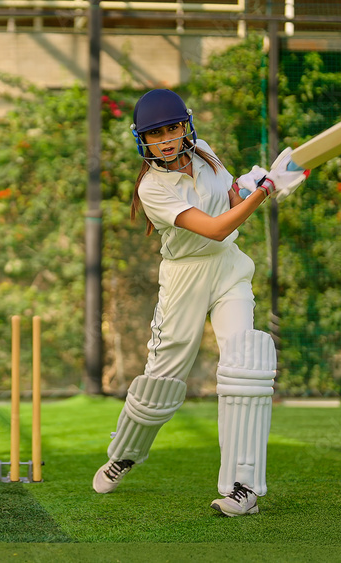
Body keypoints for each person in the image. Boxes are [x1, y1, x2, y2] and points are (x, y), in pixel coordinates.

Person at [91, 88, 307, 517]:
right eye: (156, 134)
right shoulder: (152, 188)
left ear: (185, 126)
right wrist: (265, 191)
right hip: (183, 278)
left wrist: (251, 186)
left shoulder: (204, 151)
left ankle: (243, 487)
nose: (166, 140)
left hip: (228, 268)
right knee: (161, 381)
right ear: (142, 139)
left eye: (172, 129)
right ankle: (125, 454)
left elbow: (230, 204)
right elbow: (213, 228)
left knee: (245, 362)